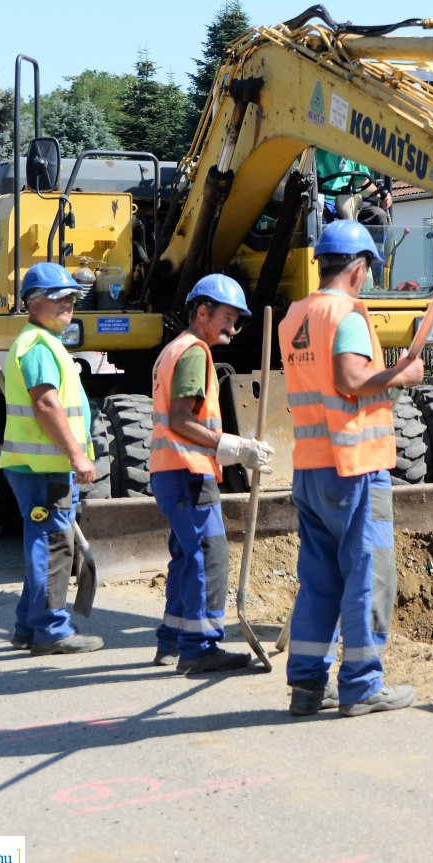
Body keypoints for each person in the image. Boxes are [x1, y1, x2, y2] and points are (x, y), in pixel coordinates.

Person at [278, 220, 424, 717]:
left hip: (311, 469)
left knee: (320, 580)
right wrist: (402, 373)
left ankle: (306, 687)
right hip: (355, 467)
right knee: (368, 574)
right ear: (360, 269)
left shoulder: (296, 316)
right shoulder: (347, 314)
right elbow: (351, 378)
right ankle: (362, 685)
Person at [149, 274, 273, 674]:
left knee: (188, 557)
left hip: (171, 472)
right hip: (187, 472)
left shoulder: (174, 349)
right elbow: (180, 418)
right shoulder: (194, 353)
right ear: (202, 312)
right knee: (209, 553)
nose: (233, 329)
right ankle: (200, 647)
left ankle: (172, 640)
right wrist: (233, 447)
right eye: (228, 318)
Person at [0, 262, 102, 654]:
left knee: (44, 542)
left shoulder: (42, 342)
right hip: (43, 468)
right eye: (58, 298)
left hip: (41, 466)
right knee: (53, 545)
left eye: (72, 298)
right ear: (32, 303)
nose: (68, 304)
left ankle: (28, 627)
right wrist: (77, 455)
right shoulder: (39, 346)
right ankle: (53, 631)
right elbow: (46, 404)